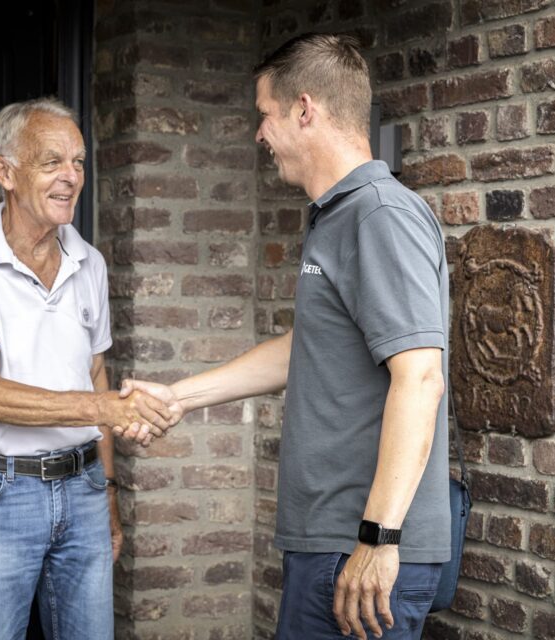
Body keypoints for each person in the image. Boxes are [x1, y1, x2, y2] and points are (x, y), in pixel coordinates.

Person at [121, 34, 450, 640]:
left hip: (359, 548)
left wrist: (378, 538)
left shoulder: (379, 214)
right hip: (331, 544)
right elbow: (309, 348)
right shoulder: (339, 215)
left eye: (264, 115)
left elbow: (421, 377)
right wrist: (179, 397)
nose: (259, 133)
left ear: (305, 110)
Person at [0, 98, 173, 640]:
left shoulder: (90, 262)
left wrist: (109, 493)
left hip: (85, 488)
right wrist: (100, 409)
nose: (71, 176)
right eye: (52, 162)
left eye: (79, 162)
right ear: (5, 172)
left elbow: (96, 376)